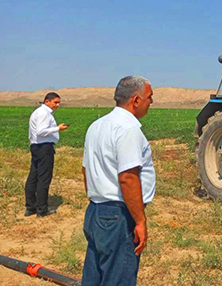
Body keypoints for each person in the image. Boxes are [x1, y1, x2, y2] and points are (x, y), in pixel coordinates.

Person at [81, 76, 155, 286]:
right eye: (149, 97)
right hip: (118, 216)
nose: (152, 102)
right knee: (118, 277)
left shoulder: (97, 125)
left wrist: (97, 197)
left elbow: (85, 169)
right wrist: (140, 221)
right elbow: (128, 178)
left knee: (94, 276)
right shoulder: (128, 129)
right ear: (136, 100)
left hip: (96, 211)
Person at [25, 92, 69, 217]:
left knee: (33, 177)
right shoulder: (44, 113)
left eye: (59, 102)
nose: (58, 105)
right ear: (47, 101)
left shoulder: (38, 112)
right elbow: (41, 131)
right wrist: (57, 129)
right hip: (44, 148)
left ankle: (30, 207)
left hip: (36, 147)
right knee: (44, 178)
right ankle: (42, 209)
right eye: (55, 102)